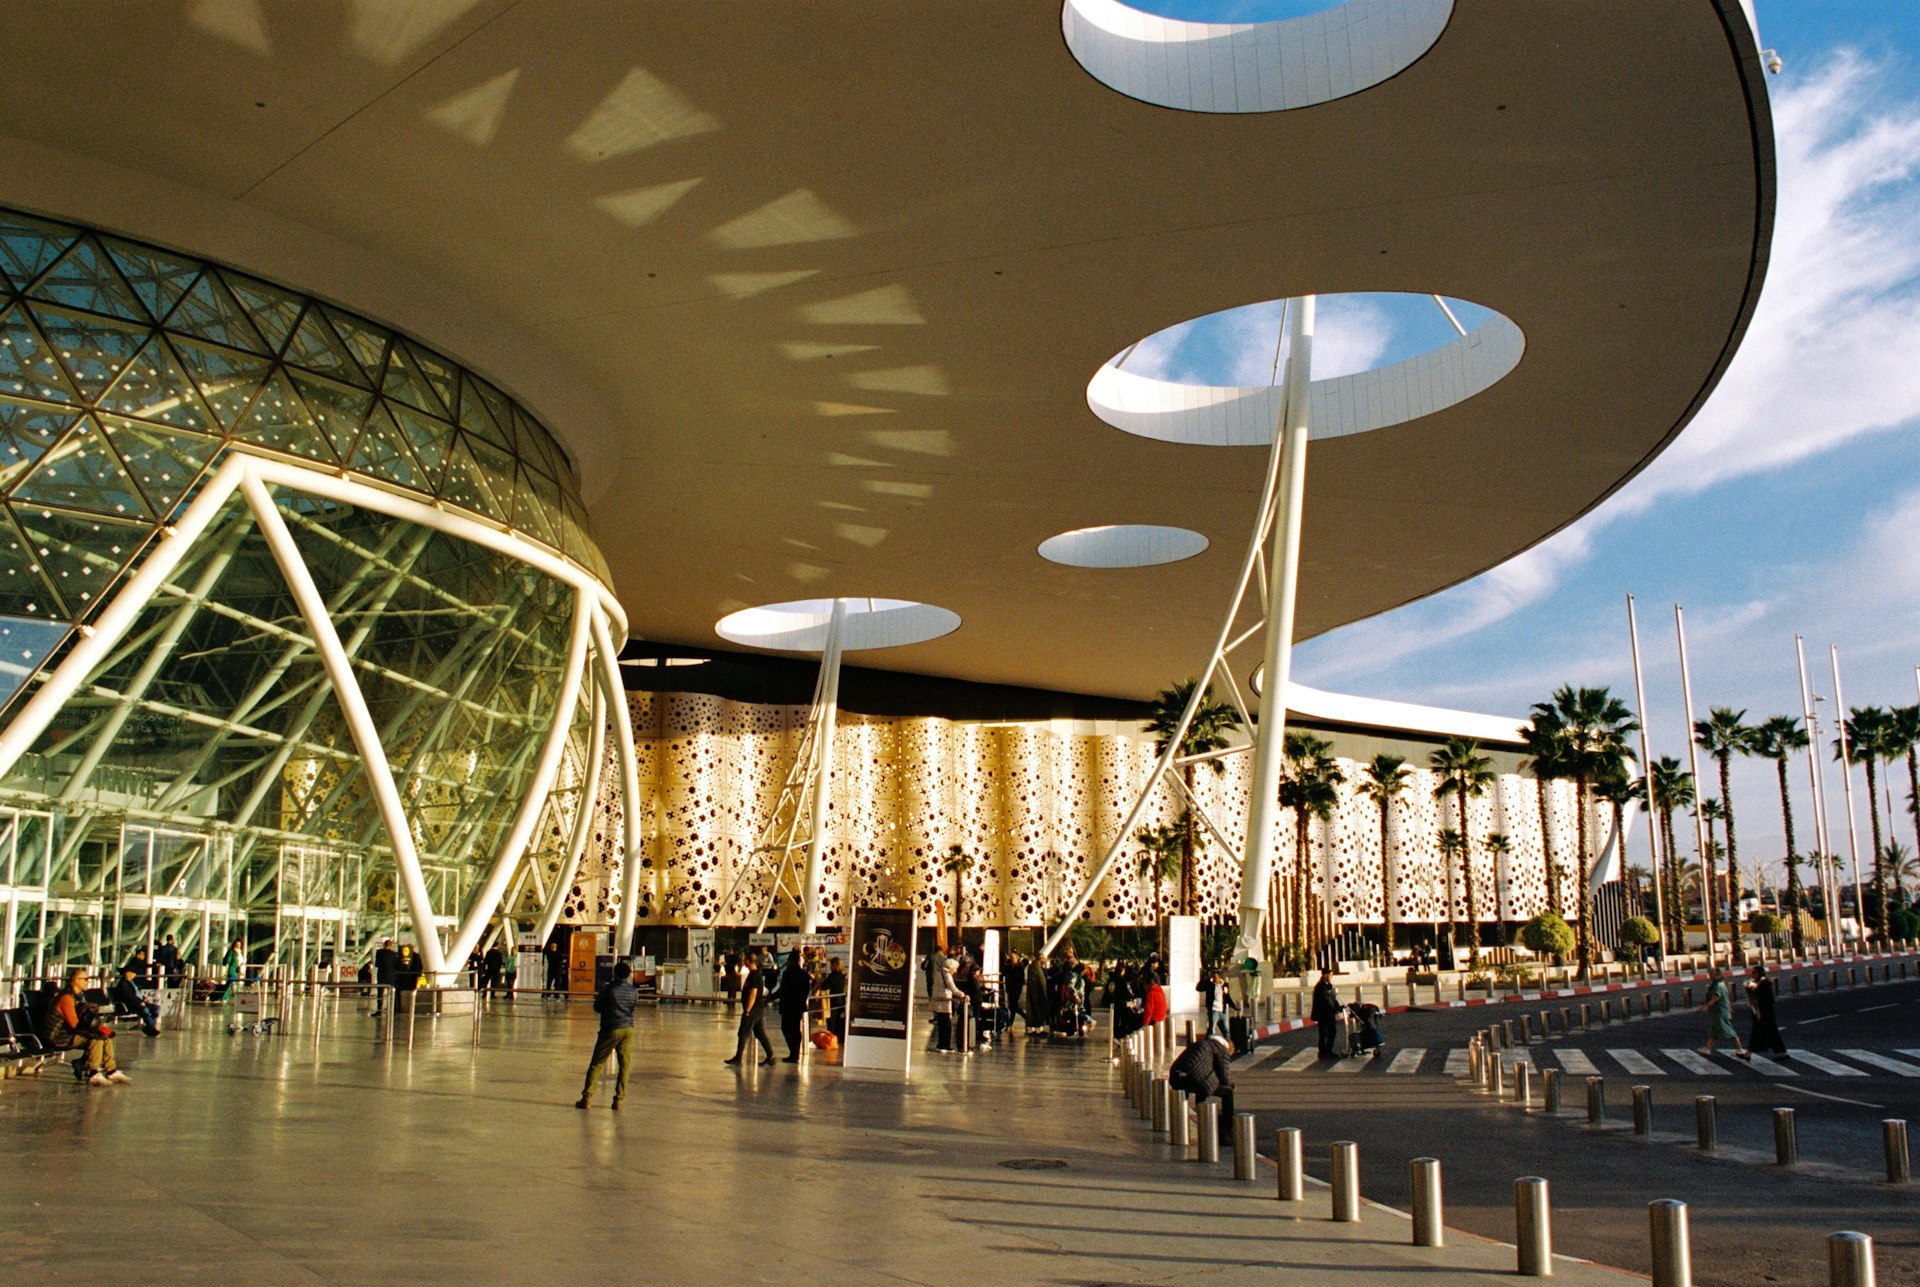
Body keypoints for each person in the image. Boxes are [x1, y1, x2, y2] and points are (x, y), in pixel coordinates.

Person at [45, 969, 129, 1086]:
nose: (87, 982)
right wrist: (95, 1033)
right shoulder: (66, 998)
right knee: (97, 1039)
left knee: (105, 1037)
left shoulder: (77, 996)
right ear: (75, 981)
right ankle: (93, 1072)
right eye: (85, 979)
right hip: (59, 1036)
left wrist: (102, 1029)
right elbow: (75, 1025)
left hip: (69, 1033)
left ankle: (111, 1070)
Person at [575, 961, 639, 1110]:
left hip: (610, 1028)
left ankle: (587, 1098)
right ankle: (619, 1100)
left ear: (615, 973)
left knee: (597, 1063)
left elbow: (597, 1007)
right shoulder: (633, 991)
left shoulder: (608, 989)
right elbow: (633, 1007)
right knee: (624, 1065)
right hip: (628, 1028)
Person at [1168, 1031, 1234, 1142]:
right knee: (1227, 1092)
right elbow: (1225, 1076)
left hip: (1176, 1076)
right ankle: (1228, 1127)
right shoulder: (1222, 1049)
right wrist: (1231, 1085)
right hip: (1193, 1078)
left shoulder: (1200, 1044)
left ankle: (1181, 1130)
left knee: (1201, 1087)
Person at [725, 948, 776, 1065]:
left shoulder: (754, 976)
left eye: (744, 961)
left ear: (748, 961)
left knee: (743, 1032)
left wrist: (747, 1010)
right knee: (760, 1033)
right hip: (757, 1009)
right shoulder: (755, 975)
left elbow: (753, 993)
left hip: (753, 1009)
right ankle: (770, 1056)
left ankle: (738, 1058)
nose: (743, 963)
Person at [1697, 965, 1747, 1059]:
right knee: (1714, 1031)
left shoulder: (1718, 985)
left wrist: (1705, 1007)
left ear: (1716, 974)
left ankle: (1739, 1049)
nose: (1709, 975)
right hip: (1718, 1012)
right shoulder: (1717, 984)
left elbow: (1716, 998)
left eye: (1711, 973)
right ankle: (1708, 1048)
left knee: (1728, 1031)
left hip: (1720, 1012)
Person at [1745, 963, 1789, 1059]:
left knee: (1767, 1032)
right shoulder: (1756, 983)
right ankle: (1748, 1053)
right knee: (1763, 1032)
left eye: (1755, 972)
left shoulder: (1764, 984)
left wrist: (1756, 999)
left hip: (1765, 1013)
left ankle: (1749, 1053)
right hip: (1759, 1012)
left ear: (1760, 973)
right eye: (1752, 973)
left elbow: (1768, 998)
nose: (1752, 975)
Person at [777, 949, 813, 1062]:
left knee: (786, 1028)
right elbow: (807, 989)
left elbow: (782, 990)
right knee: (795, 1029)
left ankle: (793, 1052)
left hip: (788, 1005)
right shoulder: (803, 974)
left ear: (790, 960)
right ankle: (795, 1052)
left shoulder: (788, 973)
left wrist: (770, 997)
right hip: (798, 1005)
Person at [109, 964, 161, 1037]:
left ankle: (149, 1027)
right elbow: (129, 996)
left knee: (156, 1009)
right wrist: (140, 1002)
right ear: (127, 973)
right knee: (145, 1010)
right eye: (133, 973)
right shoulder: (123, 984)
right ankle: (151, 1028)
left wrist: (143, 998)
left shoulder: (132, 983)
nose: (134, 975)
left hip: (139, 1002)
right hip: (131, 1004)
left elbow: (136, 994)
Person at [930, 949, 958, 1052]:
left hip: (938, 1001)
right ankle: (945, 1045)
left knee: (942, 1024)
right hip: (944, 1001)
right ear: (951, 967)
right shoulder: (946, 974)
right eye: (955, 969)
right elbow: (952, 987)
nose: (955, 971)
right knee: (947, 1025)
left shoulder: (940, 972)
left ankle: (941, 1044)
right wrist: (962, 994)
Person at [1311, 970, 1341, 1058]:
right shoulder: (1320, 987)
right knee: (1324, 1033)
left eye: (1332, 975)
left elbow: (1332, 999)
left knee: (1331, 1031)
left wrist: (1338, 1006)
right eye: (1330, 975)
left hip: (1329, 1013)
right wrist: (1334, 1008)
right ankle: (1324, 1051)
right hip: (1323, 1014)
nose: (1331, 977)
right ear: (1325, 975)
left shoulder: (1327, 986)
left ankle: (1327, 1050)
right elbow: (1325, 1001)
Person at [1201, 968, 1238, 1038]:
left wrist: (1234, 1006)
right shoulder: (1209, 985)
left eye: (1215, 976)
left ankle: (1228, 1045)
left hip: (1222, 1012)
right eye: (1212, 976)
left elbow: (1227, 997)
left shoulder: (1224, 985)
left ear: (1219, 976)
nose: (1213, 978)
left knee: (1226, 1031)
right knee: (1211, 1030)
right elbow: (1199, 988)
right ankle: (1208, 1044)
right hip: (1213, 1011)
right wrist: (1206, 979)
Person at [824, 956, 847, 1042]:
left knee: (831, 1021)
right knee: (838, 1021)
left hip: (833, 1000)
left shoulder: (834, 975)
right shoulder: (842, 974)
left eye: (831, 964)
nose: (830, 966)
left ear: (835, 964)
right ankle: (838, 1038)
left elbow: (825, 986)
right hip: (840, 1000)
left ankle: (830, 1039)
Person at [372, 938, 397, 1014]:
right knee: (392, 993)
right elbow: (396, 965)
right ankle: (392, 1010)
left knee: (380, 993)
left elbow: (377, 964)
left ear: (384, 945)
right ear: (391, 946)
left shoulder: (379, 952)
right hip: (391, 975)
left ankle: (379, 1010)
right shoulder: (394, 954)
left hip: (382, 975)